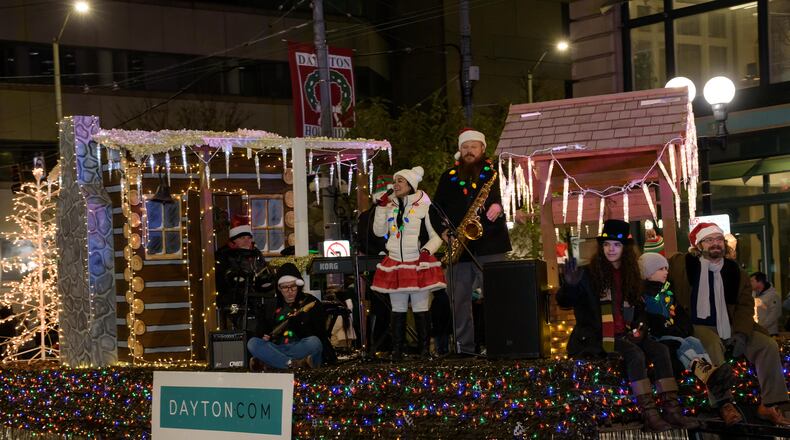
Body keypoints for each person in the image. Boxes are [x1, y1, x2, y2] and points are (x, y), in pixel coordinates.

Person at [558, 219, 697, 432]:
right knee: (635, 354)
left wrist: (639, 330)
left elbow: (641, 310)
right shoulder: (587, 274)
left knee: (660, 350)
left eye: (616, 245)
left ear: (625, 248)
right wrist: (569, 284)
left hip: (626, 333)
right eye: (607, 244)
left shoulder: (630, 275)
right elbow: (565, 301)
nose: (611, 249)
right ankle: (649, 414)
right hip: (599, 336)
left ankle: (672, 410)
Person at [668, 222, 790, 425]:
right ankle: (724, 403)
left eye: (718, 239)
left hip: (731, 325)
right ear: (699, 245)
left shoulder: (735, 270)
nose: (715, 244)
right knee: (712, 344)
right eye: (709, 240)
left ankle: (769, 404)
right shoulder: (685, 265)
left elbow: (744, 305)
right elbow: (663, 271)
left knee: (767, 345)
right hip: (697, 325)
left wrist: (741, 333)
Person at [431, 128, 511, 355]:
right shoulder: (448, 177)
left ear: (483, 149)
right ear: (459, 150)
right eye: (465, 147)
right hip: (459, 247)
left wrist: (500, 206)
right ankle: (464, 349)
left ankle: (498, 345)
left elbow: (513, 195)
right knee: (458, 301)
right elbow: (435, 209)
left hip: (492, 245)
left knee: (496, 297)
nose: (469, 151)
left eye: (473, 146)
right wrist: (443, 232)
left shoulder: (496, 173)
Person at [639, 252, 737, 422]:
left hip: (674, 334)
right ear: (648, 273)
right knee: (682, 344)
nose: (666, 272)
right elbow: (657, 323)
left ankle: (710, 370)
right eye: (661, 269)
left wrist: (682, 329)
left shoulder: (667, 292)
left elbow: (681, 317)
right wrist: (676, 330)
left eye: (666, 268)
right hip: (659, 338)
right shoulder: (646, 296)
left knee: (693, 340)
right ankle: (708, 374)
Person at [371, 166, 446, 360]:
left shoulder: (424, 207)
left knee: (421, 309)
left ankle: (424, 352)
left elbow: (436, 236)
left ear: (411, 185)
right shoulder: (389, 207)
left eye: (400, 181)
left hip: (417, 263)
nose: (395, 185)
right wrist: (380, 207)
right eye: (395, 181)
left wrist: (426, 251)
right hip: (395, 263)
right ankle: (397, 352)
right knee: (398, 310)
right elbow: (379, 232)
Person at [247, 263, 335, 371]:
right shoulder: (272, 305)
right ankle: (292, 363)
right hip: (277, 347)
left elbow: (320, 333)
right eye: (285, 287)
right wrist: (263, 333)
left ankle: (272, 362)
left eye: (293, 286)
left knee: (314, 342)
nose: (289, 291)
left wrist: (299, 324)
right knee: (253, 343)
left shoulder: (311, 302)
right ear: (279, 288)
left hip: (300, 346)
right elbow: (262, 328)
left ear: (298, 286)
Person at [215, 214, 271, 330]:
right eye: (242, 238)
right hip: (233, 301)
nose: (246, 241)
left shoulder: (256, 254)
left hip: (255, 300)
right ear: (234, 240)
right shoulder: (224, 255)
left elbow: (264, 274)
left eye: (248, 237)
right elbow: (222, 281)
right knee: (235, 329)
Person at [751, 271, 781, 336]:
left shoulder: (773, 295)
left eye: (752, 281)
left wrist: (761, 327)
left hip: (770, 333)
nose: (750, 283)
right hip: (757, 332)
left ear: (760, 282)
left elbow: (774, 314)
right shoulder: (753, 295)